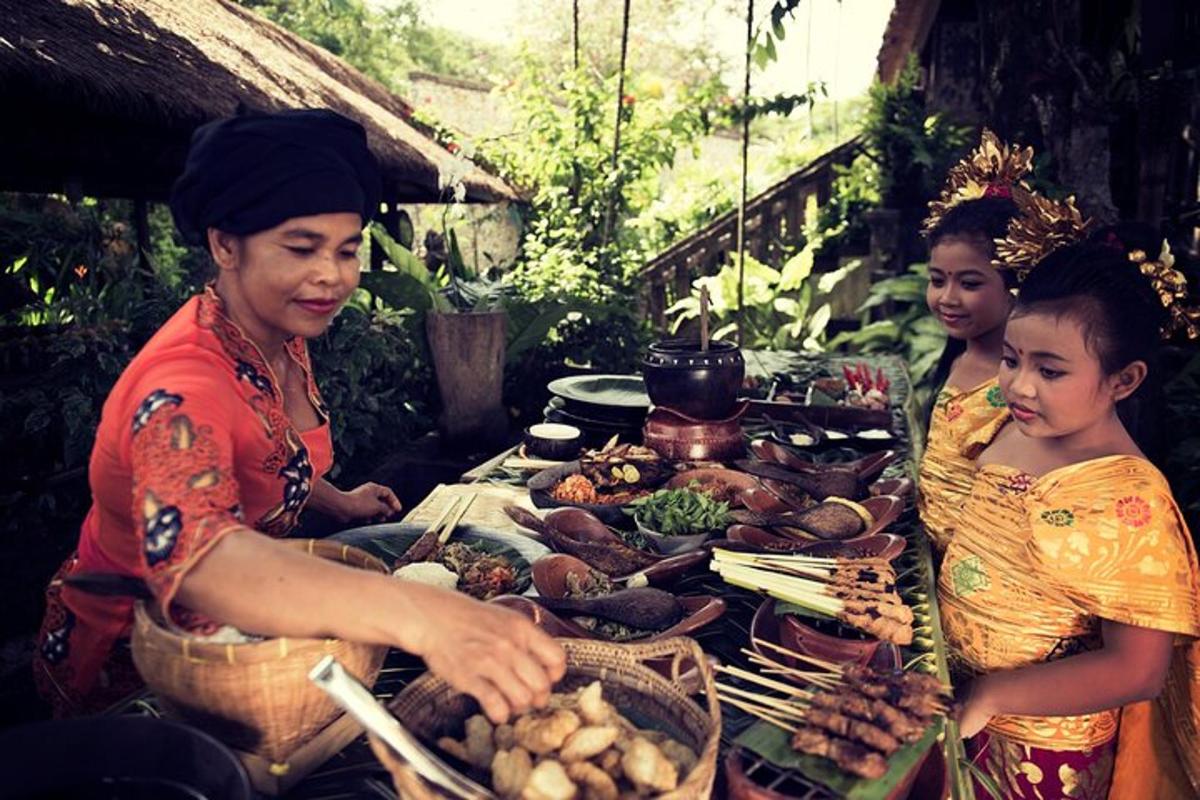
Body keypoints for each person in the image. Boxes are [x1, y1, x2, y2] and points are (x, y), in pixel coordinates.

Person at [33, 108, 565, 721]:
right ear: (225, 244)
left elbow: (264, 457)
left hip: (248, 639)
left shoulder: (279, 334)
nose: (332, 276)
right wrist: (422, 613)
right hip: (138, 664)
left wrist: (335, 501)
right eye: (301, 247)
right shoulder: (181, 385)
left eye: (346, 250)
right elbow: (200, 561)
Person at [941, 234, 1200, 799]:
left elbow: (1138, 670)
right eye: (1011, 359)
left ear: (1123, 381)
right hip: (949, 700)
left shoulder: (1131, 502)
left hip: (1041, 758)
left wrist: (993, 694)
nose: (1018, 385)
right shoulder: (1008, 428)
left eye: (1050, 371)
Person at [917, 130, 1027, 555]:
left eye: (970, 283)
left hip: (983, 569)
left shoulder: (1024, 386)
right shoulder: (959, 358)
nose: (947, 298)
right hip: (931, 558)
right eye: (937, 280)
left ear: (1015, 283)